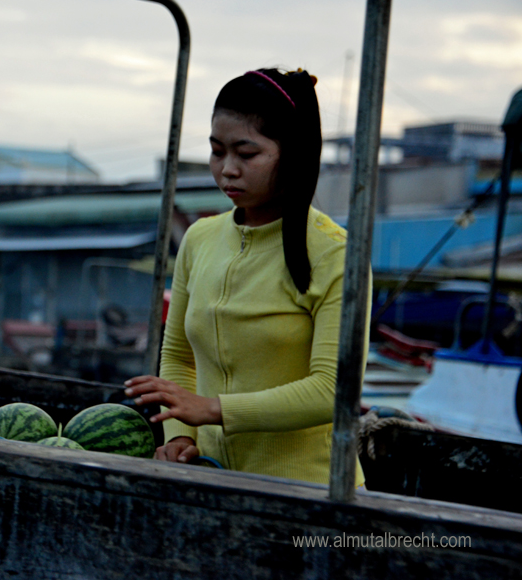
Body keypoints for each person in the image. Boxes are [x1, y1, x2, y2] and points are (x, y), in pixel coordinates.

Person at [125, 68, 366, 487]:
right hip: (211, 481)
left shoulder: (336, 253)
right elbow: (179, 355)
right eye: (217, 151)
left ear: (292, 154)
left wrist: (213, 409)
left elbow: (333, 390)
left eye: (246, 154)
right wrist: (181, 435)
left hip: (310, 492)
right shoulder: (199, 239)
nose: (227, 170)